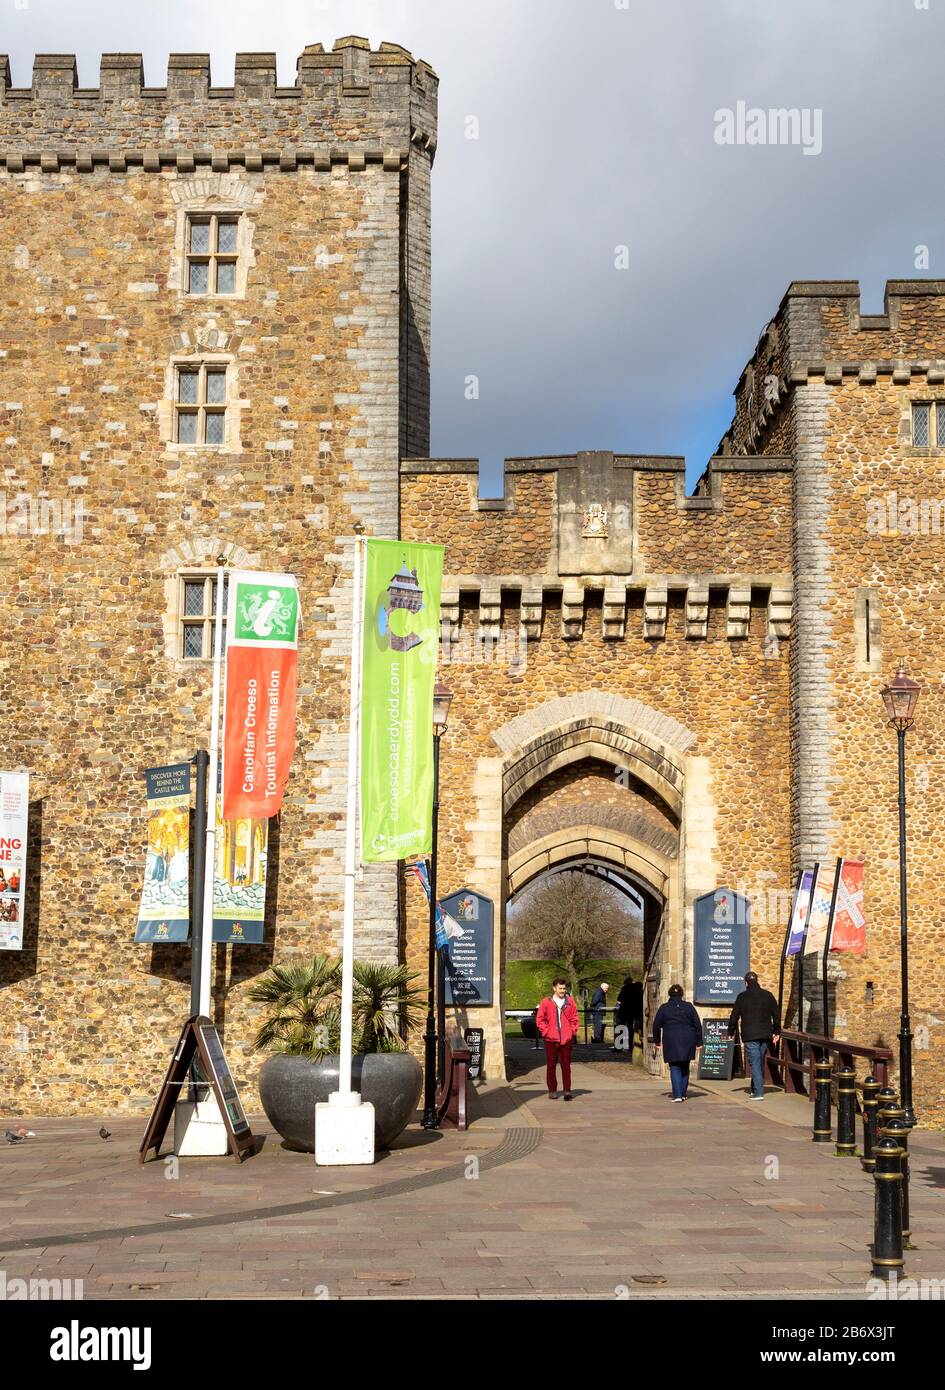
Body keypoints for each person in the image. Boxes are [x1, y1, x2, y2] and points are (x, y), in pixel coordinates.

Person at [727, 971, 781, 1099]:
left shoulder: (742, 997)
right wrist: (777, 1031)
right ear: (757, 981)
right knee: (759, 1061)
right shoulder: (768, 995)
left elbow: (734, 1016)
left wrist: (731, 1030)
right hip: (765, 1034)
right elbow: (776, 1015)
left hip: (750, 1035)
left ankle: (758, 1093)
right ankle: (754, 1088)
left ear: (746, 983)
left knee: (755, 1063)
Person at [651, 983, 703, 1102]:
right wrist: (699, 1041)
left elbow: (656, 1025)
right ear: (681, 994)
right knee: (685, 1066)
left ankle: (677, 1095)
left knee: (674, 1066)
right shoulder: (689, 1006)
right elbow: (697, 1025)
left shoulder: (664, 1007)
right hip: (688, 1039)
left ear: (670, 994)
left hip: (671, 1040)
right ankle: (683, 1093)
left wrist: (657, 1041)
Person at [536, 975, 580, 1101]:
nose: (562, 991)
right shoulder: (546, 1002)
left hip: (566, 1038)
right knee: (551, 1065)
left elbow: (575, 1018)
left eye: (564, 988)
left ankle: (567, 1090)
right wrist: (546, 1032)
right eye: (560, 988)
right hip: (551, 1038)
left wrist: (572, 1032)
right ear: (554, 988)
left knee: (566, 1065)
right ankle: (552, 1090)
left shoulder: (570, 1001)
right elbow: (540, 1019)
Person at [615, 974, 643, 1054]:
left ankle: (619, 1046)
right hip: (632, 1012)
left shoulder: (625, 988)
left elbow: (619, 998)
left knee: (620, 1028)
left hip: (624, 1011)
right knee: (630, 1029)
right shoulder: (636, 989)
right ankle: (631, 1047)